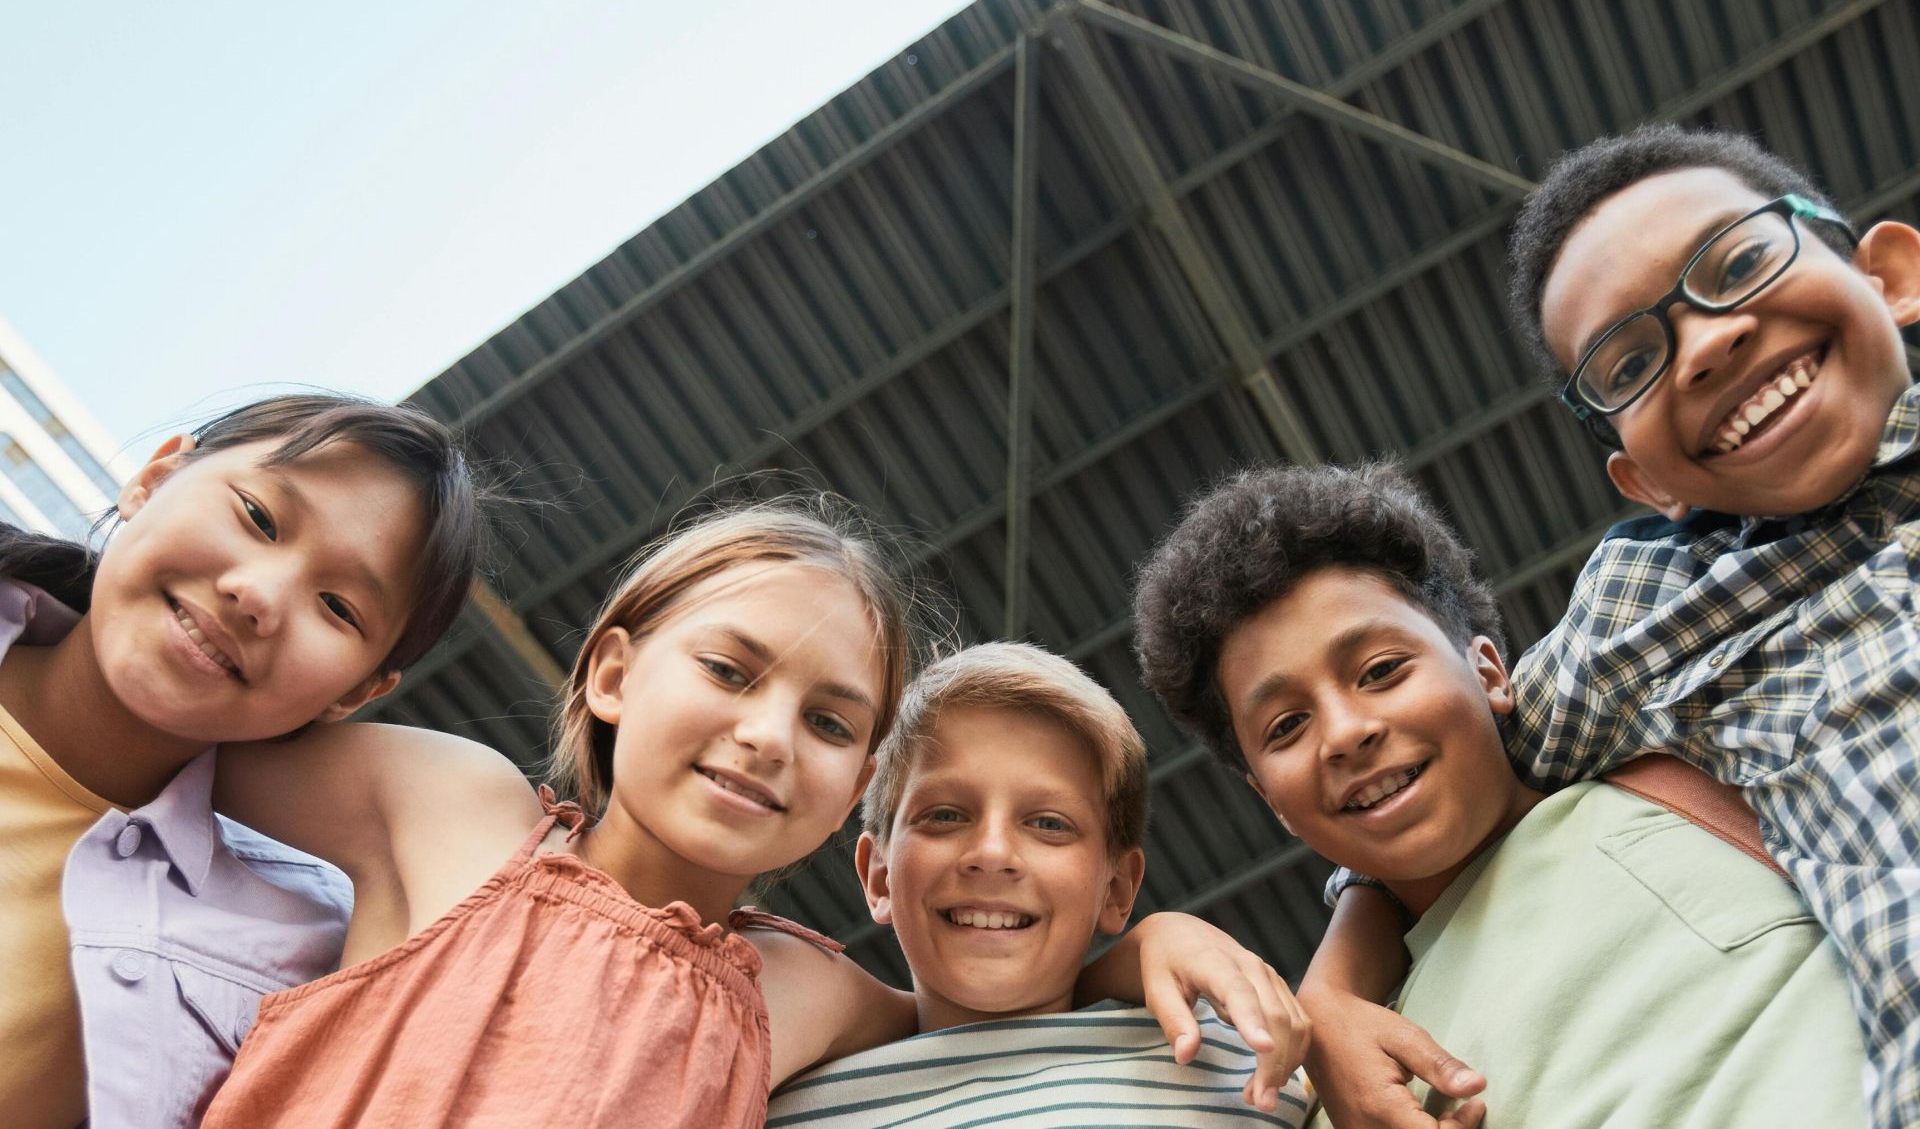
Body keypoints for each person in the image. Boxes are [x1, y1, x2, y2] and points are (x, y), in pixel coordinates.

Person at [201, 499, 1305, 1127]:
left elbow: (994, 985)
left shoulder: (800, 990)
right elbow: (167, 732)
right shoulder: (455, 811)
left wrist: (1156, 939)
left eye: (831, 725)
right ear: (615, 675)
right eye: (730, 671)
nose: (771, 736)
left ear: (850, 803)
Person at [1297, 123, 1920, 1129]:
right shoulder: (1648, 610)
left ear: (1891, 274)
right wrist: (1328, 999)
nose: (1711, 342)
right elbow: (1430, 778)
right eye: (1630, 361)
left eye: (1742, 262)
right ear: (1644, 479)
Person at [1132, 461, 1866, 1128]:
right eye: (1288, 723)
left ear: (1489, 672)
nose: (1346, 732)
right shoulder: (1353, 1085)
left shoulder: (1697, 761)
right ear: (1273, 804)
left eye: (1383, 669)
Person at [0, 393, 487, 1128]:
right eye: (259, 517)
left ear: (357, 690)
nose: (256, 594)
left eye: (338, 606)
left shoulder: (285, 959)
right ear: (156, 478)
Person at [767, 641, 1312, 1127]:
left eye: (1049, 824)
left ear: (1117, 890)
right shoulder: (772, 1091)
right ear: (878, 876)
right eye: (945, 816)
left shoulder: (1241, 1068)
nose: (993, 854)